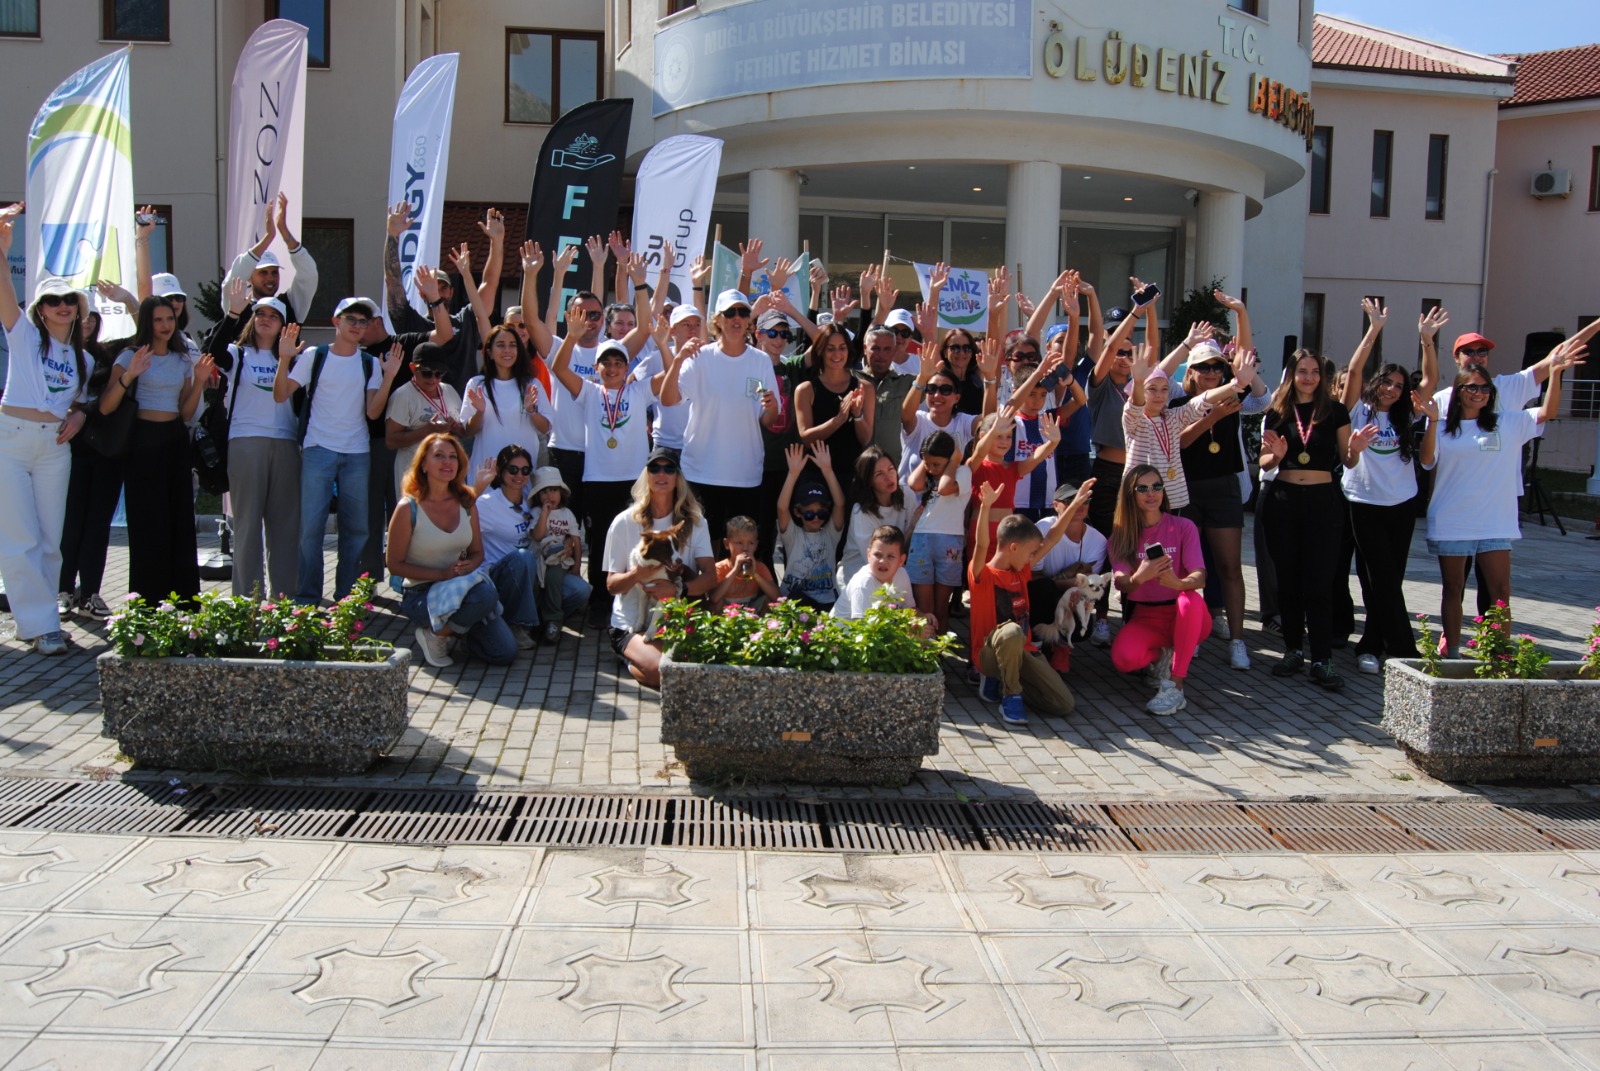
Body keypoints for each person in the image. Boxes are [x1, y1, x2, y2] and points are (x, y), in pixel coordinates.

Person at [1425, 342, 1583, 654]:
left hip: (1496, 520)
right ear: (1459, 391)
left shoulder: (1508, 422)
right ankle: (1452, 653)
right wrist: (1431, 422)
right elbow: (1427, 460)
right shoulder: (1442, 427)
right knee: (1453, 588)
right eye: (1471, 387)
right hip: (1453, 520)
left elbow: (1548, 412)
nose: (1479, 393)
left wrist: (1556, 373)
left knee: (1500, 591)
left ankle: (1498, 653)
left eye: (1484, 388)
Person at [0, 204, 90, 656]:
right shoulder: (22, 334)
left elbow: (81, 403)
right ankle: (40, 625)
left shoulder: (84, 358)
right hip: (11, 441)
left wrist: (79, 415)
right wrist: (2, 247)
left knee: (49, 539)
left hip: (54, 449)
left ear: (78, 308)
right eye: (52, 300)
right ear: (40, 308)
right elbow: (3, 293)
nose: (61, 306)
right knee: (18, 538)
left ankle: (39, 618)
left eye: (68, 299)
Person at [275, 299, 403, 603]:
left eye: (363, 321)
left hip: (357, 453)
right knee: (311, 529)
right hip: (318, 449)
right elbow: (281, 394)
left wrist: (388, 377)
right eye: (351, 319)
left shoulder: (369, 362)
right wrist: (283, 359)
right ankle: (307, 596)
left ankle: (346, 597)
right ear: (336, 321)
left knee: (356, 529)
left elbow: (374, 413)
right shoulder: (313, 356)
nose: (358, 325)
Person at [1259, 349, 1370, 690]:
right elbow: (1263, 463)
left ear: (1322, 377)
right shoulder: (1277, 411)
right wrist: (1274, 456)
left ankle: (1322, 659)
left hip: (1323, 503)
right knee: (1288, 582)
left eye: (1314, 372)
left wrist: (1357, 449)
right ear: (1291, 374)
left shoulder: (1334, 411)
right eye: (1302, 371)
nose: (1308, 377)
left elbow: (1348, 462)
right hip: (1284, 501)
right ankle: (1293, 650)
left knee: (1319, 584)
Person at [1339, 300, 1439, 673]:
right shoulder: (1356, 408)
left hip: (1402, 504)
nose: (1394, 389)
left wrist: (1426, 340)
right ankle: (1403, 650)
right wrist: (1374, 328)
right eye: (1388, 382)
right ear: (1377, 381)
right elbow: (1353, 369)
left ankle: (1371, 644)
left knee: (1385, 578)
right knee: (1378, 574)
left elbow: (1429, 381)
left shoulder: (1406, 410)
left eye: (1400, 385)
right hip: (1363, 502)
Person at [1169, 328, 1272, 670]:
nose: (1211, 372)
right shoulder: (1179, 403)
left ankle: (1238, 641)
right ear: (1192, 373)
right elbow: (1181, 443)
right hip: (1188, 490)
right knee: (1188, 569)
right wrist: (1212, 417)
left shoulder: (1236, 395)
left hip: (1224, 489)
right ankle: (1192, 633)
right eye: (1203, 367)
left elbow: (1264, 399)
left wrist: (1240, 314)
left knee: (1229, 567)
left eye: (1216, 366)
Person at [99, 297, 213, 603]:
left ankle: (184, 598)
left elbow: (186, 412)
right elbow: (107, 406)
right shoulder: (129, 355)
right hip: (142, 441)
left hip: (174, 439)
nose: (165, 326)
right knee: (148, 521)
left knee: (179, 518)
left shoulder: (180, 359)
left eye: (170, 319)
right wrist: (130, 374)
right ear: (147, 322)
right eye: (158, 320)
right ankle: (146, 598)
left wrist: (200, 382)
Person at [658, 289, 780, 550]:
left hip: (745, 474)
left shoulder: (760, 361)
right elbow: (668, 400)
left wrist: (771, 407)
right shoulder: (700, 357)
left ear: (749, 320)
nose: (737, 318)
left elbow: (769, 419)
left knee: (740, 549)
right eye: (730, 313)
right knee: (697, 549)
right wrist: (678, 359)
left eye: (743, 312)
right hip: (701, 472)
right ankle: (697, 593)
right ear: (718, 320)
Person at [388, 433, 517, 667]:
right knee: (485, 595)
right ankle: (440, 633)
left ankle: (447, 632)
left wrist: (470, 565)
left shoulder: (466, 502)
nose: (447, 462)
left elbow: (478, 552)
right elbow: (394, 565)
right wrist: (441, 575)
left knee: (504, 653)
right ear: (424, 464)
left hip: (462, 589)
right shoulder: (408, 507)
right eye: (439, 456)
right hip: (421, 594)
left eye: (452, 457)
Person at [550, 329, 657, 605]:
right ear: (596, 367)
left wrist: (671, 347)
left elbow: (669, 377)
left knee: (635, 539)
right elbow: (558, 368)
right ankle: (600, 597)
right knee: (599, 542)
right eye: (606, 363)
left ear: (626, 367)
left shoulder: (638, 390)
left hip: (634, 481)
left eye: (618, 363)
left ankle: (632, 597)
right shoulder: (589, 391)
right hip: (597, 479)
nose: (612, 369)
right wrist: (570, 337)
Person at [601, 448, 718, 688]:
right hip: (629, 623)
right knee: (662, 672)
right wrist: (638, 574)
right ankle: (632, 657)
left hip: (675, 619)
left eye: (668, 468)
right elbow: (612, 586)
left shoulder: (695, 522)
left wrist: (677, 590)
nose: (661, 474)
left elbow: (710, 577)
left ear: (678, 477)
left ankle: (650, 655)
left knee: (689, 671)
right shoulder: (624, 521)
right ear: (646, 475)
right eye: (654, 468)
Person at [213, 288, 300, 598]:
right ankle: (248, 602)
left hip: (286, 442)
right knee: (248, 525)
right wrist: (232, 313)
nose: (266, 320)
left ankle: (285, 602)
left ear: (283, 326)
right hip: (245, 441)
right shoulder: (238, 354)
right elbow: (211, 350)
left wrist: (288, 357)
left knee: (285, 528)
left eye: (274, 316)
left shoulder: (293, 357)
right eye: (260, 314)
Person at [969, 481, 1079, 725]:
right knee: (1011, 632)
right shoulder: (982, 575)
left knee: (1063, 704)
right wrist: (986, 507)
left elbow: (1051, 539)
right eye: (1030, 553)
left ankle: (1007, 681)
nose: (1033, 559)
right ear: (1014, 547)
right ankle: (1011, 694)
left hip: (1022, 651)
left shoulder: (1021, 572)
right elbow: (981, 545)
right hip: (988, 654)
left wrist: (1074, 505)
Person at [1107, 465, 1211, 715]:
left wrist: (1180, 584)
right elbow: (1121, 582)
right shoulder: (1120, 536)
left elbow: (1200, 575)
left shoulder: (1183, 526)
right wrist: (1139, 578)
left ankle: (1175, 686)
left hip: (1184, 615)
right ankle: (1163, 655)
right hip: (1146, 616)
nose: (1151, 493)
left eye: (1157, 486)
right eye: (1142, 488)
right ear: (1130, 495)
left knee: (1190, 599)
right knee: (1123, 660)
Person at [57, 308, 123, 620]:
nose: (87, 322)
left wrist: (84, 409)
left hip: (104, 449)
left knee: (97, 524)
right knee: (70, 523)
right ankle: (64, 590)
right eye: (83, 316)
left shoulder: (107, 355)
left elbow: (114, 397)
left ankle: (91, 593)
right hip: (66, 448)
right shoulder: (54, 353)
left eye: (93, 318)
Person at [473, 445, 544, 651]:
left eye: (525, 470)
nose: (519, 475)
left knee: (577, 591)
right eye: (513, 470)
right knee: (523, 557)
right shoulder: (486, 503)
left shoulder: (531, 501)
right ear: (501, 472)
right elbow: (457, 517)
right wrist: (476, 489)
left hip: (529, 575)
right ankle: (518, 624)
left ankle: (534, 618)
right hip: (498, 576)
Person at [462, 324, 550, 490]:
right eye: (501, 345)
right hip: (486, 474)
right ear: (489, 352)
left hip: (522, 475)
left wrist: (532, 410)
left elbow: (545, 427)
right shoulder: (476, 384)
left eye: (512, 345)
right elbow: (468, 431)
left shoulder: (531, 384)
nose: (507, 350)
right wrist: (479, 413)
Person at [795, 321, 874, 504]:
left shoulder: (865, 388)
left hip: (852, 476)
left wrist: (857, 415)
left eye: (842, 348)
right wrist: (838, 420)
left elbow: (865, 439)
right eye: (830, 349)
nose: (837, 354)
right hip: (815, 476)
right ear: (820, 351)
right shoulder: (805, 390)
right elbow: (806, 438)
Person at [219, 192, 318, 336]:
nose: (270, 278)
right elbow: (231, 282)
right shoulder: (236, 304)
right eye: (263, 272)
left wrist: (285, 233)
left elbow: (309, 275)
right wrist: (268, 238)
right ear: (249, 277)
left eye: (274, 272)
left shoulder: (291, 304)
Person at [386, 342, 466, 500]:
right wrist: (427, 431)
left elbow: (463, 431)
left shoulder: (449, 391)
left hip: (446, 475)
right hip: (415, 476)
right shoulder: (403, 396)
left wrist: (456, 427)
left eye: (439, 373)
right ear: (412, 368)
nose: (433, 379)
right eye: (427, 373)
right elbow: (391, 440)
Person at [776, 442, 847, 609]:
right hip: (796, 600)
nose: (816, 518)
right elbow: (781, 507)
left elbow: (840, 504)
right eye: (809, 514)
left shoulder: (830, 534)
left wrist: (827, 470)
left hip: (827, 601)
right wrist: (793, 474)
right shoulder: (793, 535)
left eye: (821, 513)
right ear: (798, 512)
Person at [838, 445, 918, 587]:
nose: (889, 477)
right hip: (861, 575)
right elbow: (875, 559)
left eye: (891, 469)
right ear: (868, 481)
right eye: (879, 474)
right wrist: (911, 529)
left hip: (896, 568)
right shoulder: (861, 512)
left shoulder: (906, 494)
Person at [528, 465, 592, 641]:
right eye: (544, 492)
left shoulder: (567, 513)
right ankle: (544, 618)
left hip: (560, 560)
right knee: (542, 583)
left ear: (561, 492)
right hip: (540, 558)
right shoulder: (536, 512)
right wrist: (544, 515)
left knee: (557, 578)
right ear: (538, 496)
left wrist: (578, 567)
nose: (549, 496)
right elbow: (538, 535)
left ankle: (554, 618)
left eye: (554, 490)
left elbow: (576, 540)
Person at [710, 515, 779, 613]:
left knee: (770, 602)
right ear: (726, 544)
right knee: (716, 605)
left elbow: (777, 597)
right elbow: (713, 598)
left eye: (751, 543)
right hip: (726, 612)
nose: (745, 548)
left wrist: (755, 574)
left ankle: (761, 627)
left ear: (756, 545)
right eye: (739, 543)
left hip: (750, 609)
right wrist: (734, 570)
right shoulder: (719, 568)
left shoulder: (760, 567)